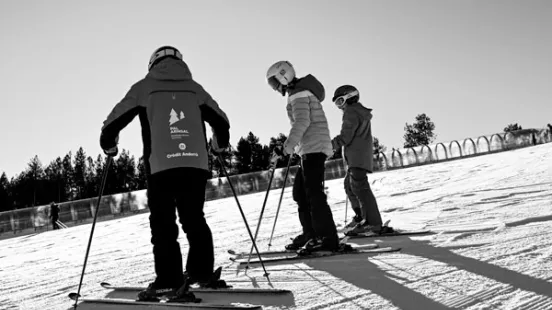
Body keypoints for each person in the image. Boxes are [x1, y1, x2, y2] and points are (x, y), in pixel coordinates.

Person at [100, 46, 231, 301]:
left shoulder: (144, 87)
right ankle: (201, 272)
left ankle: (169, 281)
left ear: (152, 64)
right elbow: (221, 123)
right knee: (194, 219)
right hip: (195, 165)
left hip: (161, 166)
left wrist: (109, 145)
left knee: (163, 224)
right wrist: (218, 145)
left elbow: (112, 122)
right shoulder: (195, 88)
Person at [266, 61, 340, 252]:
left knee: (313, 194)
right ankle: (311, 234)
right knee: (301, 193)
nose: (275, 88)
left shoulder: (298, 93)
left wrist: (287, 147)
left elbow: (302, 122)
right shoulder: (298, 92)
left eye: (274, 83)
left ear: (284, 76)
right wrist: (294, 147)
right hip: (309, 147)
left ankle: (327, 238)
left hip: (314, 147)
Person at [330, 85, 389, 236]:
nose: (339, 107)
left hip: (357, 157)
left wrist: (329, 146)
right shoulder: (357, 112)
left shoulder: (351, 112)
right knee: (350, 186)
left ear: (349, 98)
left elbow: (346, 136)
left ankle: (372, 223)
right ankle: (362, 218)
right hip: (358, 157)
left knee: (360, 188)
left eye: (340, 101)